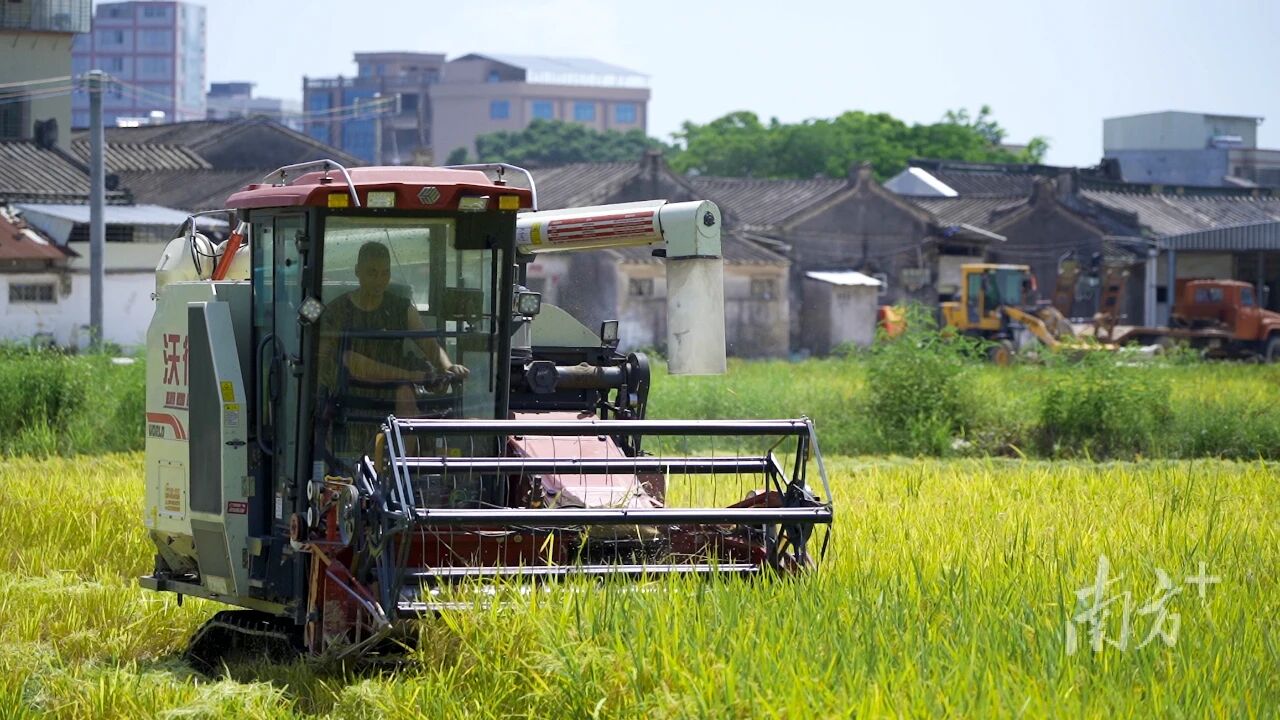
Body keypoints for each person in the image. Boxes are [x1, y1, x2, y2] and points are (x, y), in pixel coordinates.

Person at [319, 241, 469, 427]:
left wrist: (448, 367)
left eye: (385, 273)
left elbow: (429, 344)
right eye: (372, 273)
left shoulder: (401, 308)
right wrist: (416, 376)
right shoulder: (337, 311)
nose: (379, 280)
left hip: (393, 391)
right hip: (348, 395)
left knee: (405, 394)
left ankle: (405, 445)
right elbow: (346, 363)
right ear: (358, 271)